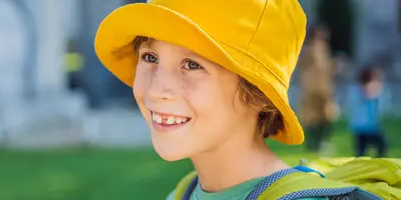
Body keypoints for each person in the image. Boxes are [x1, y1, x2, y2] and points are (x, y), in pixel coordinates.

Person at [94, 0, 325, 199]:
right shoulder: (182, 193)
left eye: (192, 65)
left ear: (258, 94)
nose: (156, 90)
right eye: (150, 57)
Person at [297, 24, 339, 154]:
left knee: (326, 116)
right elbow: (304, 66)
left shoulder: (324, 49)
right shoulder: (307, 49)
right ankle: (313, 143)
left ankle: (321, 142)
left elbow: (326, 67)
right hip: (311, 88)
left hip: (324, 88)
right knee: (312, 117)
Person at [348, 67, 387, 157]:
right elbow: (368, 95)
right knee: (379, 146)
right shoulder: (360, 90)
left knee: (364, 150)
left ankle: (372, 164)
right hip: (365, 127)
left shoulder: (355, 89)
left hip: (366, 126)